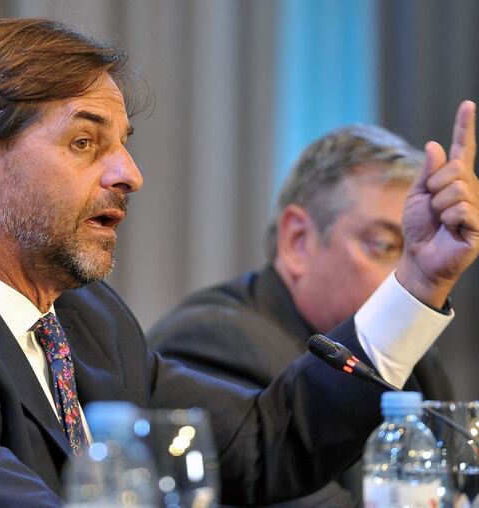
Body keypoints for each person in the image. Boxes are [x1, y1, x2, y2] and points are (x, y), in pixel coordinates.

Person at [0, 19, 479, 507]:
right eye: (86, 143)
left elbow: (262, 444)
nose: (129, 172)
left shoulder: (84, 319)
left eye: (124, 142)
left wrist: (420, 278)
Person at [149, 125, 452, 506]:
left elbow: (478, 483)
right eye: (386, 245)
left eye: (417, 249)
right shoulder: (211, 340)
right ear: (298, 241)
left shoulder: (409, 357)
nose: (408, 274)